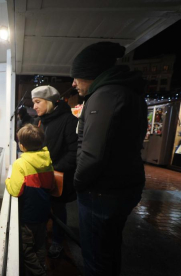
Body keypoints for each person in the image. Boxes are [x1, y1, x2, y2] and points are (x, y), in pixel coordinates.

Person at [71, 42, 147, 275]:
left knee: (95, 258)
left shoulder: (104, 96)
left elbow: (92, 154)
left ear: (90, 74)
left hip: (101, 192)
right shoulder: (127, 92)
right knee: (109, 252)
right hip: (121, 187)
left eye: (76, 77)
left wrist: (77, 183)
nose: (73, 83)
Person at [31, 85, 78, 258]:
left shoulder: (69, 121)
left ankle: (58, 241)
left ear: (49, 102)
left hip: (59, 176)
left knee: (58, 211)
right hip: (41, 176)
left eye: (37, 102)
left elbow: (74, 153)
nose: (34, 106)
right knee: (43, 208)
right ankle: (42, 238)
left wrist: (53, 168)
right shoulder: (41, 121)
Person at [6, 124, 55, 276]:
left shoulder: (21, 163)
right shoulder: (47, 161)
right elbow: (51, 184)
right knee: (40, 244)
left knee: (26, 248)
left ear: (22, 145)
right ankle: (42, 266)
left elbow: (15, 190)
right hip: (43, 212)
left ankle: (39, 273)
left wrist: (8, 180)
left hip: (28, 215)